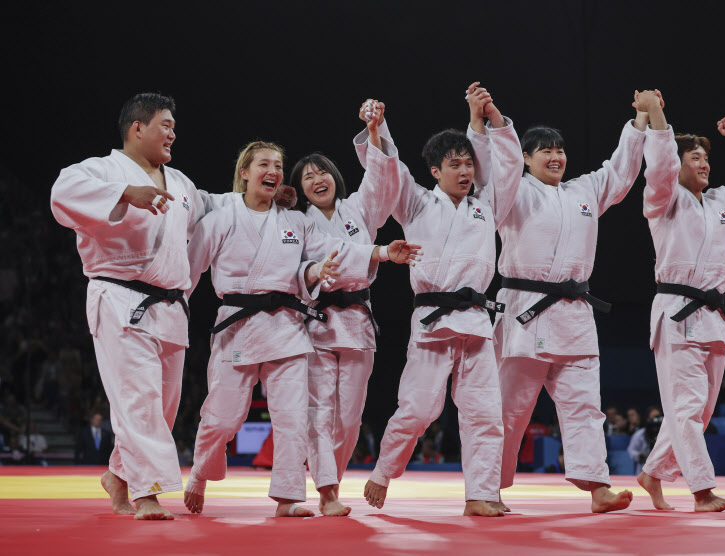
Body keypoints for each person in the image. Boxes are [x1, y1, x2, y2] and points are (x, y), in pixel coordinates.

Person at [182, 134, 417, 518]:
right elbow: (188, 272)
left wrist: (378, 253)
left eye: (278, 165)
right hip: (238, 326)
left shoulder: (294, 221)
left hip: (288, 327)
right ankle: (200, 476)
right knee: (225, 417)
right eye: (264, 165)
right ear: (244, 173)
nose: (273, 171)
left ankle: (289, 497)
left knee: (293, 418)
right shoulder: (220, 220)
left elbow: (323, 254)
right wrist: (174, 307)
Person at [51, 93, 229, 519]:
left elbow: (216, 204)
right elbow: (62, 193)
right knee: (139, 399)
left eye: (173, 126)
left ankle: (117, 475)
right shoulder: (101, 170)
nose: (173, 132)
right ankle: (146, 493)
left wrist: (260, 198)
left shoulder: (181, 183)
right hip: (120, 298)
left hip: (169, 306)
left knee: (163, 407)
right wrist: (126, 193)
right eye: (165, 124)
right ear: (137, 127)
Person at [487, 90, 657, 514]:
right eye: (545, 150)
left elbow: (619, 171)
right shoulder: (512, 193)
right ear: (525, 159)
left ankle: (598, 487)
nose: (555, 156)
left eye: (560, 150)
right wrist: (493, 122)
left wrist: (639, 121)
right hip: (524, 311)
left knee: (585, 407)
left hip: (575, 313)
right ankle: (487, 488)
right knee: (509, 411)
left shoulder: (584, 192)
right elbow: (500, 168)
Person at [362, 82, 524, 517]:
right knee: (419, 410)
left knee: (486, 415)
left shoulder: (487, 204)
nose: (465, 171)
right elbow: (391, 173)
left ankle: (480, 495)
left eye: (468, 163)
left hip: (475, 321)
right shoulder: (416, 204)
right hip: (433, 320)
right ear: (435, 171)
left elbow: (505, 169)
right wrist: (379, 131)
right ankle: (383, 471)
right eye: (454, 165)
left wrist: (487, 119)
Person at [635, 93, 725, 512]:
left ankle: (653, 472)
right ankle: (702, 491)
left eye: (705, 158)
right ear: (676, 165)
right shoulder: (663, 200)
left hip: (713, 316)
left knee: (699, 412)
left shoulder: (718, 204)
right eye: (693, 157)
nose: (703, 163)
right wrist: (656, 114)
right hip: (676, 314)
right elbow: (658, 167)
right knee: (686, 406)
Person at [289, 100, 410, 516]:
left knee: (350, 419)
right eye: (307, 177)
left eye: (321, 171)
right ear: (301, 190)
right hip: (318, 323)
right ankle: (327, 493)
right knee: (319, 412)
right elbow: (326, 255)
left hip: (357, 323)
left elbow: (382, 182)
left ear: (334, 176)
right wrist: (378, 253)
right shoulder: (299, 223)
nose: (316, 179)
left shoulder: (358, 209)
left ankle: (332, 482)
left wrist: (376, 130)